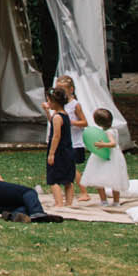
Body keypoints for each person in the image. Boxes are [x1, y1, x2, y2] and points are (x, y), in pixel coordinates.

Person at [80, 108, 129, 207]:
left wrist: (103, 145)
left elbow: (113, 143)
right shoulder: (114, 130)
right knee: (113, 178)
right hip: (113, 156)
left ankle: (106, 201)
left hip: (109, 157)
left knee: (100, 177)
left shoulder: (109, 132)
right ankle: (115, 201)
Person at [56, 75, 90, 204]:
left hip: (75, 142)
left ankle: (84, 191)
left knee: (71, 167)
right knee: (68, 167)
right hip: (64, 142)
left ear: (71, 90)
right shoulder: (59, 105)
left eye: (63, 89)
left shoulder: (75, 105)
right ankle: (72, 191)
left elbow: (85, 122)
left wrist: (71, 122)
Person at [42, 87, 75, 209]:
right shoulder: (63, 115)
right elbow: (53, 122)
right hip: (68, 150)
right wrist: (47, 111)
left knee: (53, 179)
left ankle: (59, 203)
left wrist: (51, 154)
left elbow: (56, 136)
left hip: (59, 151)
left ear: (54, 102)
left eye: (49, 101)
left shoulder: (57, 117)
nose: (47, 103)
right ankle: (69, 203)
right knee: (68, 179)